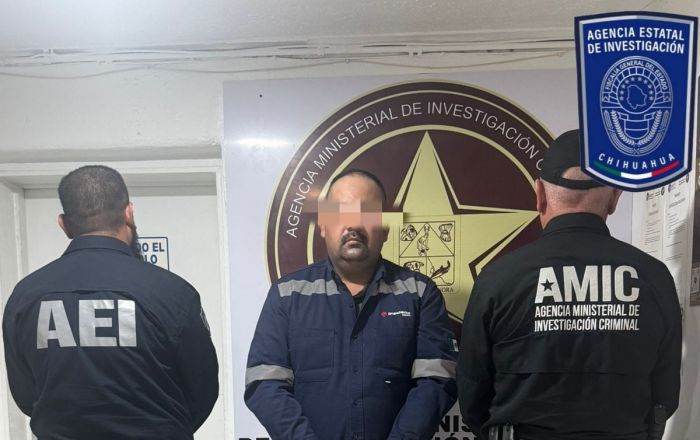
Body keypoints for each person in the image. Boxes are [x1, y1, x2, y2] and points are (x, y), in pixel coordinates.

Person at [457, 130, 682, 440]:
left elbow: (472, 395)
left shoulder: (497, 279)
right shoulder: (653, 276)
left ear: (539, 194)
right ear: (615, 197)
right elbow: (665, 396)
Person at [2, 165, 218, 440]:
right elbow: (202, 391)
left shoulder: (26, 295)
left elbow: (26, 395)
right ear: (129, 213)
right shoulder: (172, 292)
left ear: (64, 225)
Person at [245, 169, 458, 440]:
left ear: (384, 228)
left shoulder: (420, 293)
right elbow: (264, 382)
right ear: (323, 226)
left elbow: (437, 380)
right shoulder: (287, 295)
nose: (354, 224)